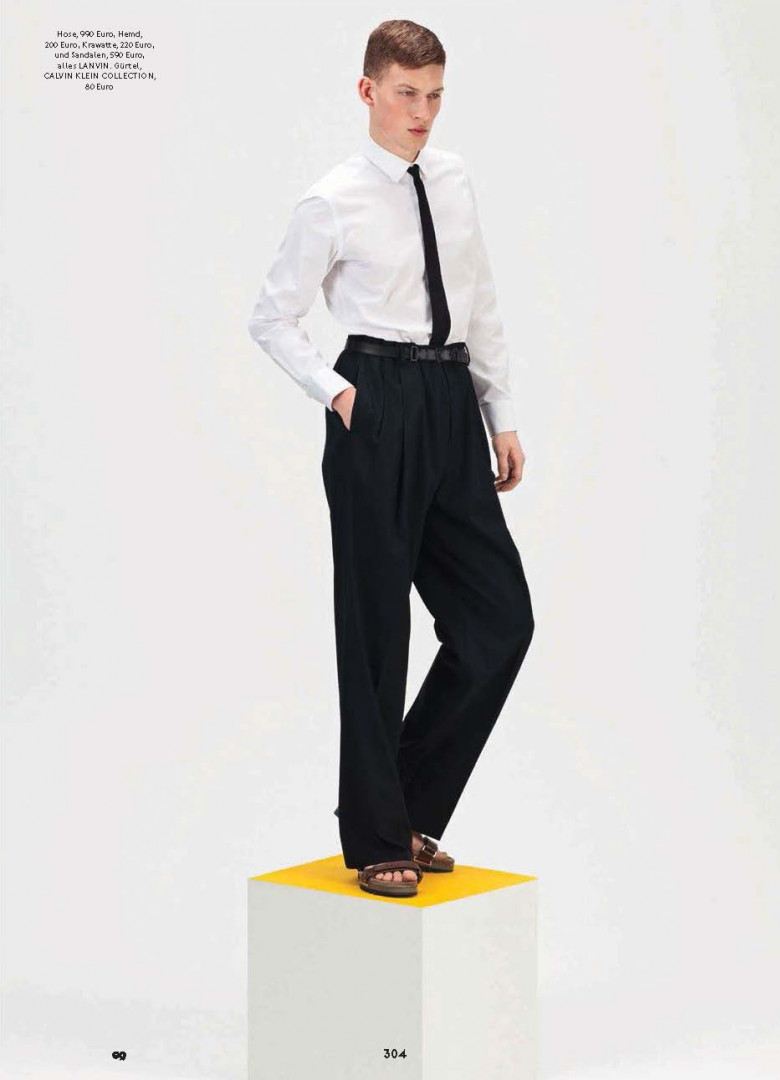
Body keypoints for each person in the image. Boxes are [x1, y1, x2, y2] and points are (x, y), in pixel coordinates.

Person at [247, 19, 534, 898]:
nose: (423, 112)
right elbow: (272, 317)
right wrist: (339, 394)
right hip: (375, 398)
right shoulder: (331, 199)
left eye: (435, 94)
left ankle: (402, 805)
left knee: (498, 622)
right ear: (368, 90)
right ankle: (378, 838)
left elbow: (480, 298)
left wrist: (499, 413)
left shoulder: (453, 179)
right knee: (377, 628)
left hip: (451, 401)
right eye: (407, 93)